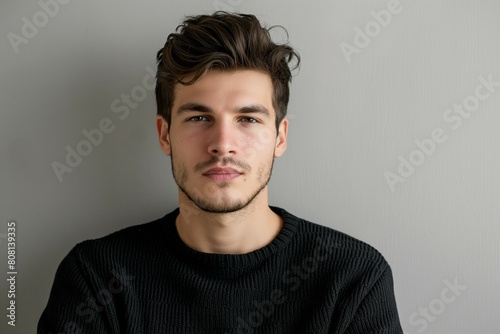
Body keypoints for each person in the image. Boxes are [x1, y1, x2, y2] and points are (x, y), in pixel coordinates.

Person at [38, 11, 403, 334]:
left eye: (248, 119)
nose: (223, 144)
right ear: (165, 135)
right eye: (199, 118)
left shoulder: (352, 279)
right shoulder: (97, 278)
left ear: (280, 137)